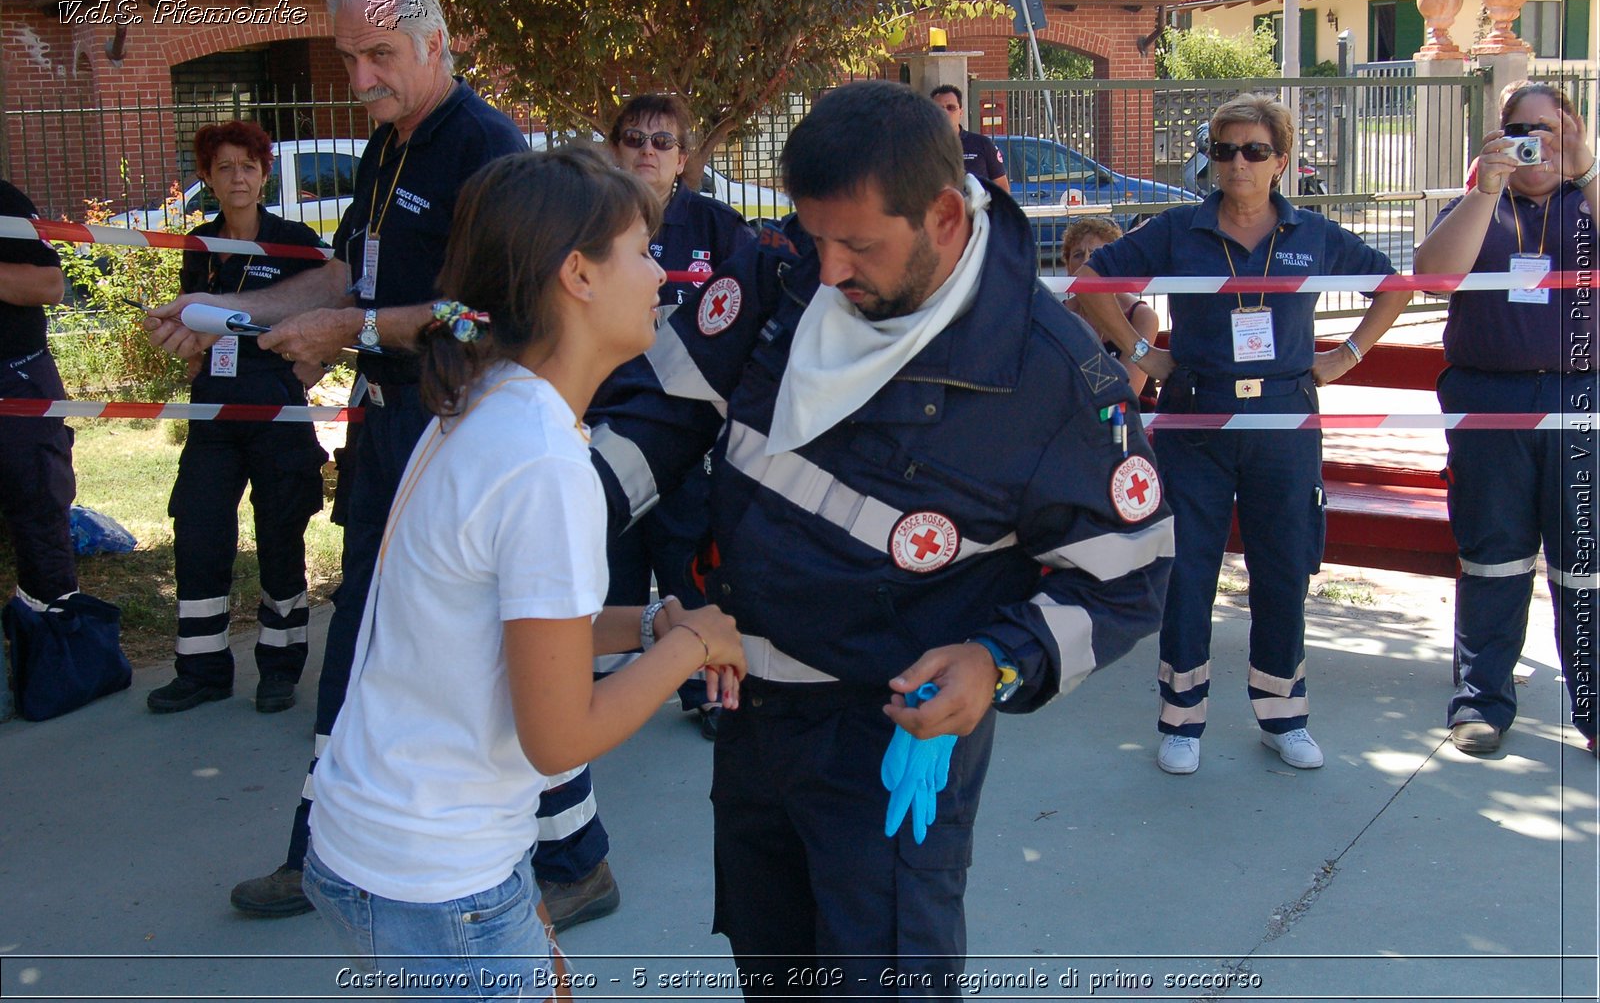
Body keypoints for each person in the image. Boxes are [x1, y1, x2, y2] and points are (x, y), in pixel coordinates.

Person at [587, 80, 1171, 995]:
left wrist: (1000, 660)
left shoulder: (1051, 375)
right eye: (814, 234)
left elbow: (1129, 579)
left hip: (887, 742)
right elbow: (659, 414)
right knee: (771, 964)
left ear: (943, 215)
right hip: (750, 714)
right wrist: (545, 518)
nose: (826, 270)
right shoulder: (780, 265)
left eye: (857, 244)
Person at [302, 146, 746, 995]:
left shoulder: (490, 403)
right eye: (641, 253)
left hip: (392, 848)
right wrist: (689, 654)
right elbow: (559, 737)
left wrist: (657, 624)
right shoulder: (540, 461)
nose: (661, 276)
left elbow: (507, 630)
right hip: (436, 878)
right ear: (577, 274)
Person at [143, 0, 529, 918]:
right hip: (388, 428)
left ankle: (530, 855)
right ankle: (341, 850)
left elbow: (491, 319)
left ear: (438, 45)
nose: (358, 79)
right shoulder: (389, 143)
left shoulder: (485, 149)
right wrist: (220, 310)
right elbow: (340, 280)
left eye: (379, 56)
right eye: (349, 57)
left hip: (454, 434)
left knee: (403, 644)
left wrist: (355, 335)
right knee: (371, 640)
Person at [1076, 92, 1410, 776]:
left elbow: (1396, 286)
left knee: (1283, 569)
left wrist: (1345, 357)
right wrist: (1143, 356)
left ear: (1280, 161)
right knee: (1190, 572)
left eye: (1254, 151)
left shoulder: (1312, 234)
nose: (1238, 164)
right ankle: (1181, 718)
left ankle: (1283, 715)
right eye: (1225, 150)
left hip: (1284, 421)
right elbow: (1089, 281)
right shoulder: (1178, 229)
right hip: (1197, 418)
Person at [1412, 81, 1598, 757]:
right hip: (1490, 398)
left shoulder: (1589, 201)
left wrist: (1589, 170)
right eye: (1522, 128)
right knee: (1493, 557)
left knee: (1587, 563)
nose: (1536, 142)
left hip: (1583, 400)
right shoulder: (1481, 203)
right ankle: (1481, 703)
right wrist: (1486, 188)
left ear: (1573, 130)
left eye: (1549, 128)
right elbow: (1430, 275)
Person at [145, 121, 329, 716]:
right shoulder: (199, 246)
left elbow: (336, 313)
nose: (237, 178)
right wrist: (177, 341)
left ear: (265, 173)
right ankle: (202, 670)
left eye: (247, 166)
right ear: (206, 178)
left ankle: (278, 668)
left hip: (275, 410)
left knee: (281, 537)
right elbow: (196, 331)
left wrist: (303, 373)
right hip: (214, 413)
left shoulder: (296, 240)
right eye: (223, 168)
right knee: (199, 531)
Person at [602, 93, 756, 739]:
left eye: (662, 142)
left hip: (688, 436)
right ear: (615, 150)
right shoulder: (593, 223)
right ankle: (607, 685)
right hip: (607, 424)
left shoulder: (720, 229)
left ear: (684, 158)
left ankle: (702, 686)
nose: (646, 151)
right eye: (634, 139)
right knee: (610, 554)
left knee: (688, 554)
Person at [0, 178, 76, 666]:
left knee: (39, 517)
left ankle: (54, 659)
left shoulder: (5, 204)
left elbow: (51, 284)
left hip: (17, 381)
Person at [1060, 218, 1160, 409]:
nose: (1087, 262)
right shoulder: (1060, 314)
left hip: (1129, 424)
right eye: (1078, 255)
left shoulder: (1142, 316)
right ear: (1068, 266)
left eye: (1097, 254)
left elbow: (1126, 393)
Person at [931, 84, 1010, 194]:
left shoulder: (982, 144)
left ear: (961, 112)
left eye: (951, 108)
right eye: (939, 108)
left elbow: (1002, 187)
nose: (945, 113)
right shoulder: (921, 149)